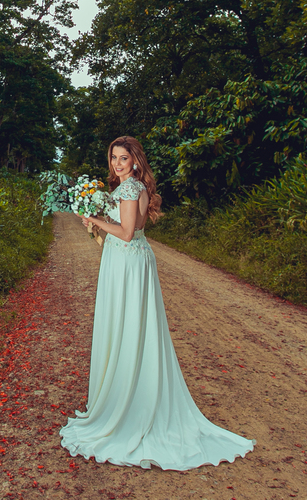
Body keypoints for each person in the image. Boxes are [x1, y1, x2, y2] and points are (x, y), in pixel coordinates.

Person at [60, 136, 255, 470]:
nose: (117, 164)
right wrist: (96, 226)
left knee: (126, 325)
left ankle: (128, 404)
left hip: (126, 263)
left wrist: (94, 221)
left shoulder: (127, 189)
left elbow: (124, 232)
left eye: (123, 158)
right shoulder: (137, 187)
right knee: (135, 326)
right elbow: (128, 232)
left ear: (135, 161)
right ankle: (135, 390)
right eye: (113, 158)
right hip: (134, 261)